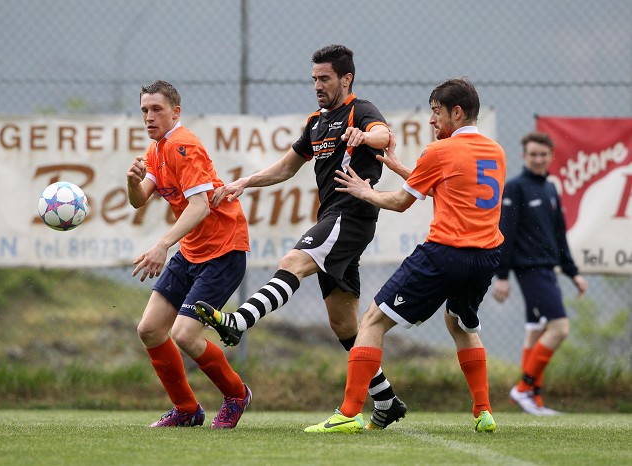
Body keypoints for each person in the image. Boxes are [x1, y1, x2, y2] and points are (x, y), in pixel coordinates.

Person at [195, 44, 406, 430]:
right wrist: (246, 181)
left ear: (346, 79)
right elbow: (286, 168)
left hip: (352, 214)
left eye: (325, 78)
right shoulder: (317, 122)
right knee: (345, 326)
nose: (318, 85)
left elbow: (384, 136)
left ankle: (238, 322)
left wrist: (364, 136)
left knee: (291, 262)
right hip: (334, 218)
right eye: (314, 79)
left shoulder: (361, 110)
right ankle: (386, 399)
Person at [304, 77, 505, 433]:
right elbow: (450, 184)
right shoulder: (495, 151)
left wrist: (363, 191)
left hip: (444, 254)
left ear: (456, 113)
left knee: (371, 322)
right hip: (485, 258)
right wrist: (400, 169)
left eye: (436, 112)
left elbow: (399, 202)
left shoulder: (439, 152)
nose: (431, 120)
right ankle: (484, 411)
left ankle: (348, 414)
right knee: (459, 324)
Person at [127, 80, 252, 429]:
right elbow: (140, 199)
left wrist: (162, 245)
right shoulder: (156, 151)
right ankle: (186, 409)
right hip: (192, 251)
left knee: (184, 335)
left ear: (175, 112)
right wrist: (132, 181)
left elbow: (199, 207)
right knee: (150, 329)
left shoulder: (184, 146)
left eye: (157, 110)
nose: (149, 117)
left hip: (224, 251)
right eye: (144, 111)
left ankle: (237, 394)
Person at [492, 131, 588, 415]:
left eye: (543, 154)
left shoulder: (550, 189)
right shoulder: (515, 188)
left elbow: (559, 236)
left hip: (549, 270)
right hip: (529, 270)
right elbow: (505, 233)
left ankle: (532, 398)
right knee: (559, 328)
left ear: (550, 156)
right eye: (532, 154)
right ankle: (523, 388)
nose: (538, 159)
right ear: (524, 156)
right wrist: (503, 275)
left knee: (535, 331)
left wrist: (574, 273)